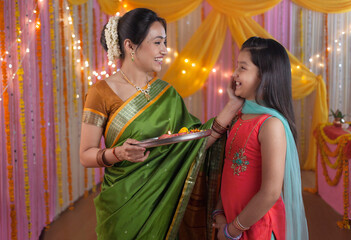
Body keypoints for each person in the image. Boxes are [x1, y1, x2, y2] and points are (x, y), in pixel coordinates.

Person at [79, 8, 243, 240]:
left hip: (165, 198)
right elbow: (85, 155)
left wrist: (233, 105)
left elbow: (193, 145)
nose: (164, 50)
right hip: (123, 202)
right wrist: (118, 153)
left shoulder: (167, 94)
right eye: (157, 42)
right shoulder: (101, 92)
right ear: (130, 46)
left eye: (164, 42)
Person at [212, 37, 309, 240]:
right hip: (232, 222)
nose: (234, 74)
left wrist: (233, 230)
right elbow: (228, 169)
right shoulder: (239, 117)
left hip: (257, 228)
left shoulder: (270, 125)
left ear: (264, 76)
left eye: (243, 68)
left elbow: (271, 192)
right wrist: (219, 213)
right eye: (237, 66)